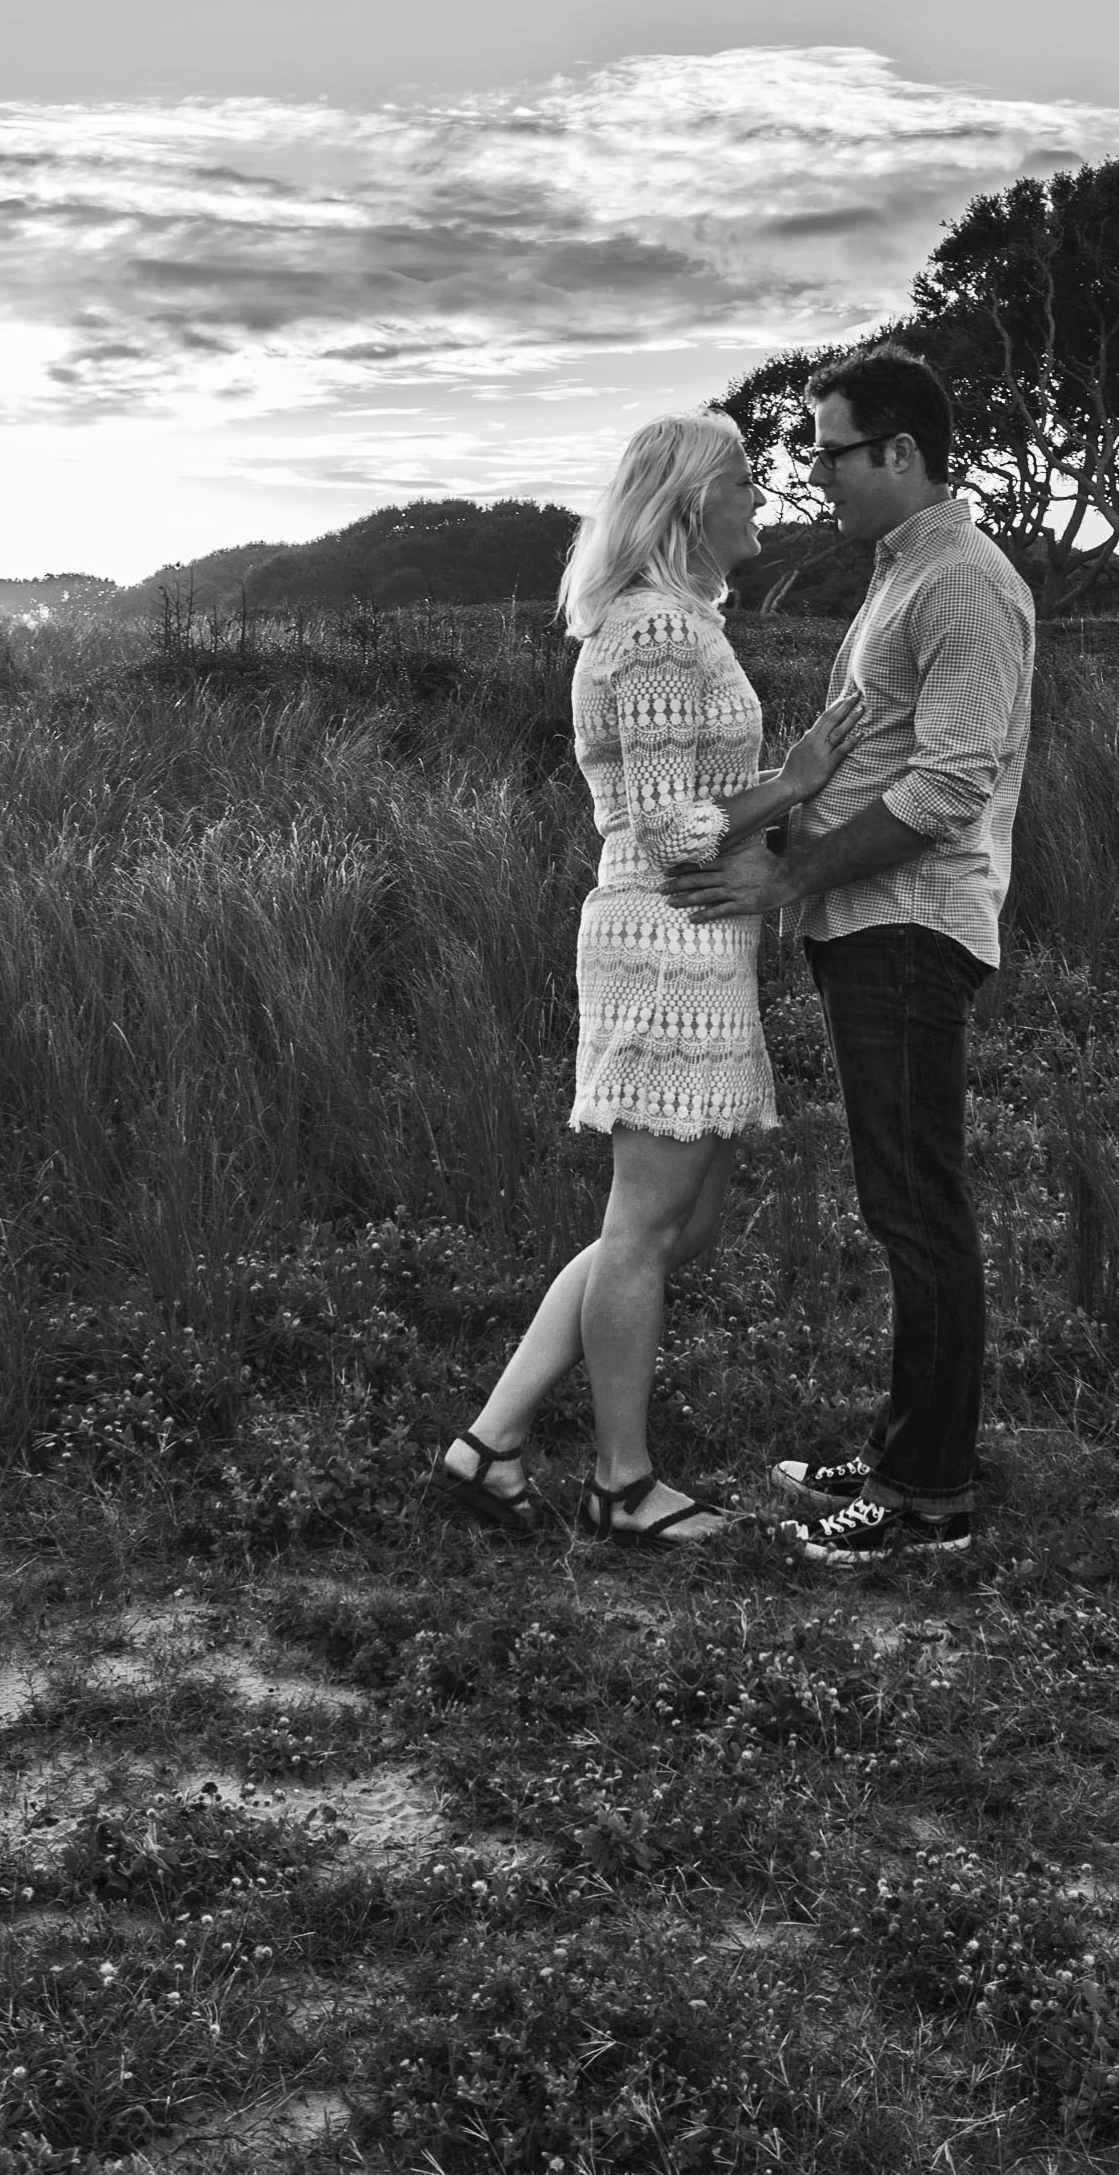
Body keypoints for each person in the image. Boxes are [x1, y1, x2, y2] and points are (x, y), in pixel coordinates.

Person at [433, 410, 864, 1548]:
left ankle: (492, 1442)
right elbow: (673, 830)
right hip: (663, 933)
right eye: (743, 487)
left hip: (691, 936)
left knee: (683, 1220)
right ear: (688, 506)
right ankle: (621, 1484)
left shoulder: (663, 624)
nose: (761, 503)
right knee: (644, 1226)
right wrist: (793, 781)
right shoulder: (658, 632)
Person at [670, 349, 1034, 1566]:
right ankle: (901, 1450)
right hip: (869, 926)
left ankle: (928, 1498)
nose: (812, 473)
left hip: (910, 927)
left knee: (917, 1207)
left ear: (902, 454)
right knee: (902, 1202)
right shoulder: (902, 574)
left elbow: (948, 787)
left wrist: (791, 875)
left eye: (830, 451)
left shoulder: (963, 584)